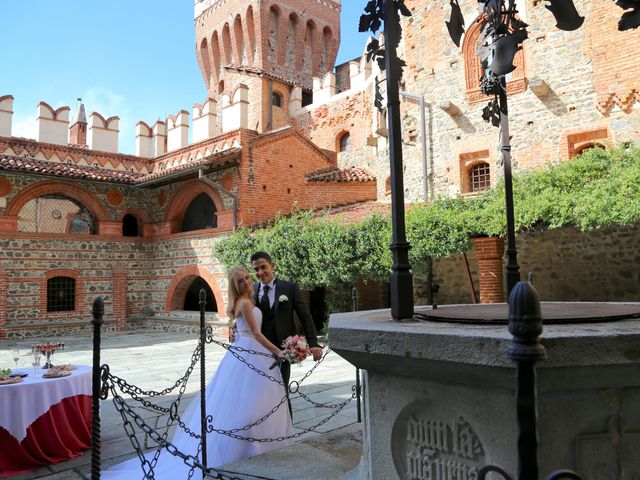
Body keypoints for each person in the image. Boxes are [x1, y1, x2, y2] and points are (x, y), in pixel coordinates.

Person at [103, 267, 293, 479]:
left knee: (253, 402)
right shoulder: (245, 303)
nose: (247, 282)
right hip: (249, 354)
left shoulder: (248, 301)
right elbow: (256, 334)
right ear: (234, 286)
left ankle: (256, 445)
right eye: (240, 281)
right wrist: (278, 351)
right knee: (248, 404)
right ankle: (247, 449)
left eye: (247, 278)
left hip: (249, 352)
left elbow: (243, 328)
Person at [250, 251, 323, 399]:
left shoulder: (289, 287)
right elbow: (244, 315)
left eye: (263, 267)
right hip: (259, 349)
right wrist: (235, 328)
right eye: (256, 269)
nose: (260, 272)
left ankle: (286, 422)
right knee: (260, 393)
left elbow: (305, 316)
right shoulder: (252, 290)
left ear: (273, 266)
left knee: (281, 392)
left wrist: (313, 343)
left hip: (283, 349)